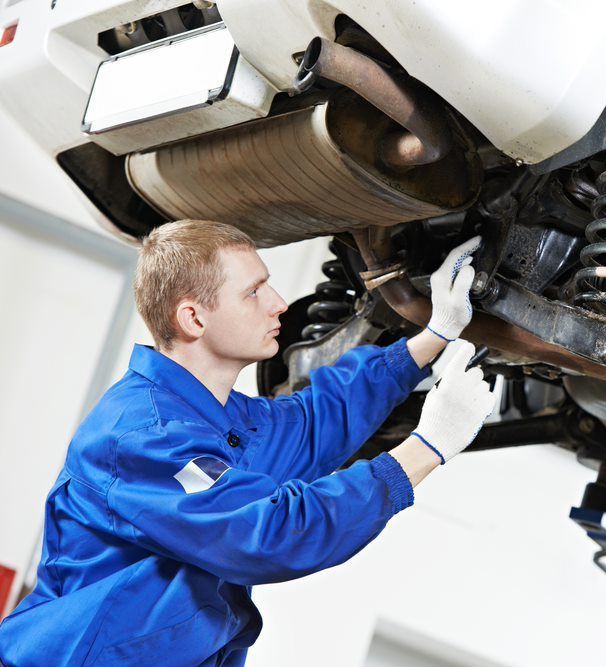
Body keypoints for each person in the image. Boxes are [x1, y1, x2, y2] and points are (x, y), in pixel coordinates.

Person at [0, 220, 495, 666]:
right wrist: (427, 446)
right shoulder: (140, 436)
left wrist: (435, 333)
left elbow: (314, 422)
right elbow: (271, 532)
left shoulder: (218, 420)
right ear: (194, 318)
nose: (279, 302)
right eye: (254, 291)